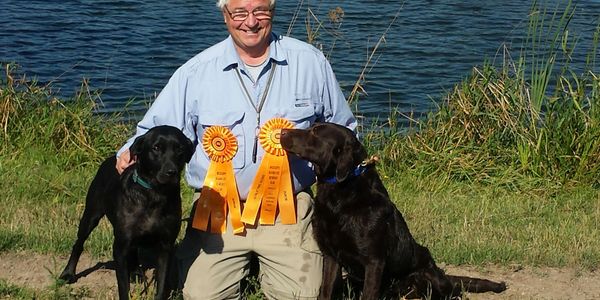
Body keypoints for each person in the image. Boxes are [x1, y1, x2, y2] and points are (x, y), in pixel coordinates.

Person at [116, 0, 356, 298]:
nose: (250, 22)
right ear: (225, 15)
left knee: (303, 296)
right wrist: (127, 151)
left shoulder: (310, 63)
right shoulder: (196, 71)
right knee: (201, 296)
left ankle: (273, 260)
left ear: (273, 12)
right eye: (240, 12)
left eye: (260, 12)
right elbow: (154, 129)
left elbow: (345, 133)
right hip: (217, 210)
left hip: (288, 210)